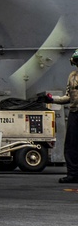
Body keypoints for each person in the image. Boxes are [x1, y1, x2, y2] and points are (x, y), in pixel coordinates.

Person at [45, 49, 78, 183]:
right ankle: (73, 174)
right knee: (71, 145)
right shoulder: (72, 76)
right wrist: (52, 100)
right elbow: (68, 97)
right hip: (75, 112)